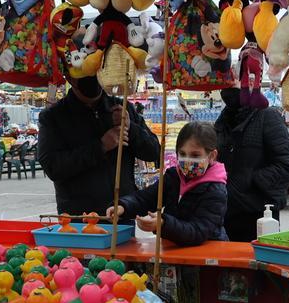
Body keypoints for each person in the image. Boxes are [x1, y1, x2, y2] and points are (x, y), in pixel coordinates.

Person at [37, 74, 160, 217]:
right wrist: (101, 146)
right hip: (78, 218)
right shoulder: (53, 116)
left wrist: (130, 128)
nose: (91, 77)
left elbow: (154, 151)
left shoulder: (123, 109)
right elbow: (52, 166)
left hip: (121, 214)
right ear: (70, 77)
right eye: (85, 72)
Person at [107, 122, 228, 247]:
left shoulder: (215, 189)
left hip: (207, 256)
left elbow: (198, 231)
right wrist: (123, 206)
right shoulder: (173, 177)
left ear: (212, 156)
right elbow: (147, 198)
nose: (187, 160)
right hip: (173, 249)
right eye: (182, 154)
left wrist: (164, 224)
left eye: (195, 155)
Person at [214, 87, 289, 241]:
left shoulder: (267, 116)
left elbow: (287, 165)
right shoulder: (222, 122)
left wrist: (250, 181)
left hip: (260, 215)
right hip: (226, 213)